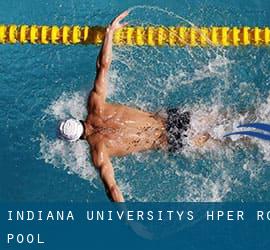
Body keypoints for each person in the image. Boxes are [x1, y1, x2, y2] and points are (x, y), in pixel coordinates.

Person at [58, 11, 210, 202]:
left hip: (171, 140)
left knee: (228, 141)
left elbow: (112, 189)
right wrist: (109, 33)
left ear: (76, 140)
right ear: (76, 119)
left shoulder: (99, 152)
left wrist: (130, 222)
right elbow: (103, 66)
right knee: (226, 118)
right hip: (172, 118)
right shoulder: (95, 105)